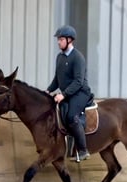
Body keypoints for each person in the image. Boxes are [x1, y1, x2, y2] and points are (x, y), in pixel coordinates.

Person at [46, 25, 93, 161]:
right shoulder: (59, 57)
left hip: (80, 93)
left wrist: (63, 95)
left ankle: (83, 150)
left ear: (69, 40)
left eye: (61, 39)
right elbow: (57, 79)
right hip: (68, 92)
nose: (58, 42)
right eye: (58, 39)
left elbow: (78, 82)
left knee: (72, 116)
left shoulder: (78, 57)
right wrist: (48, 90)